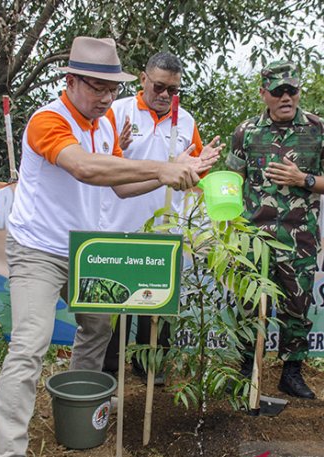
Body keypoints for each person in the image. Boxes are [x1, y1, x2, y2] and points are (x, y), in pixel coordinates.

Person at [0, 36, 220, 457]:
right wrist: (161, 168)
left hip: (87, 248)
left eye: (112, 89)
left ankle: (80, 401)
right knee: (30, 345)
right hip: (38, 248)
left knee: (98, 328)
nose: (106, 98)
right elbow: (85, 168)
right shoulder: (47, 120)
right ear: (70, 81)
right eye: (96, 88)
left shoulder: (107, 124)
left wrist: (173, 173)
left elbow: (117, 186)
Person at [226, 60, 324, 399]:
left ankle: (291, 373)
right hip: (253, 239)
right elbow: (233, 183)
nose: (286, 97)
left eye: (291, 90)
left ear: (298, 91)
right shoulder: (246, 132)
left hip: (300, 240)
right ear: (263, 93)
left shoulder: (320, 130)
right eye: (277, 91)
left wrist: (303, 179)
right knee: (249, 307)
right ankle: (246, 371)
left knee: (297, 308)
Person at [99, 52, 222, 384]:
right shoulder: (116, 112)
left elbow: (195, 173)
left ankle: (151, 369)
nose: (166, 95)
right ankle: (109, 373)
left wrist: (199, 169)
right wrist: (117, 148)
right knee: (115, 307)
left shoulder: (186, 121)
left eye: (173, 89)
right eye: (159, 86)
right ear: (143, 79)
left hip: (167, 232)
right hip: (119, 227)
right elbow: (103, 166)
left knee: (157, 308)